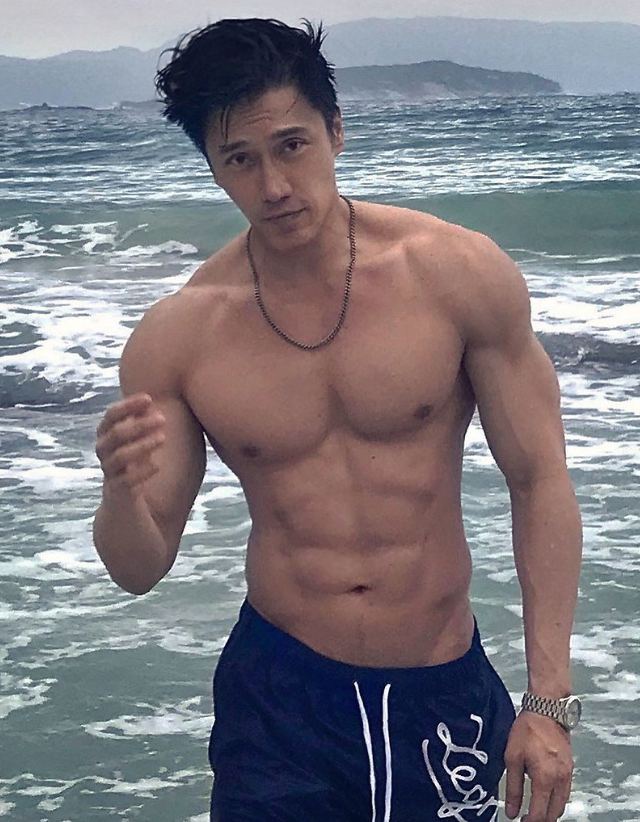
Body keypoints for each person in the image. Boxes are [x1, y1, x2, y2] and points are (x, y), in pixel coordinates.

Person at [92, 18, 582, 822]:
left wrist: (549, 701)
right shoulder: (179, 337)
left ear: (336, 131)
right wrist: (117, 492)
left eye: (292, 146)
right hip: (278, 701)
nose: (274, 185)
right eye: (240, 160)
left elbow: (540, 480)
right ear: (212, 168)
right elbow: (138, 567)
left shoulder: (456, 275)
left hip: (439, 684)